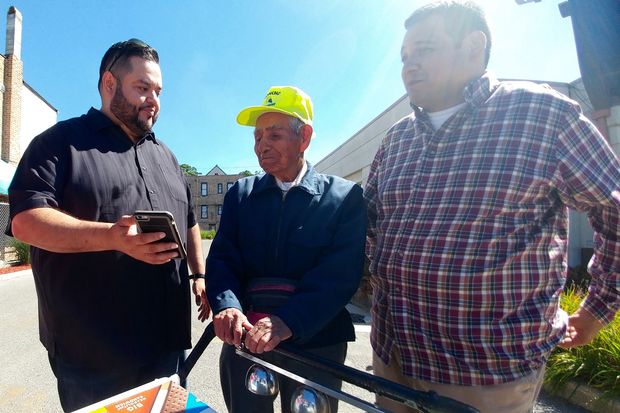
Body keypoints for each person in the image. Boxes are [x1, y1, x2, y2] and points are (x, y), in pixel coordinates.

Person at [364, 2, 620, 413]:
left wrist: (597, 310)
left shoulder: (544, 115)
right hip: (391, 359)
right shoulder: (396, 140)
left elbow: (615, 211)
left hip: (485, 374)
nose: (409, 66)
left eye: (424, 50)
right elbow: (371, 228)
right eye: (404, 56)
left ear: (473, 46)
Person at [6, 38, 210, 412]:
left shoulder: (167, 157)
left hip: (166, 346)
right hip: (92, 356)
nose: (153, 100)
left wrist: (199, 275)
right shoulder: (58, 143)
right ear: (109, 83)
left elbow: (190, 221)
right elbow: (26, 221)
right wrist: (113, 237)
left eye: (159, 91)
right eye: (142, 87)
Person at [206, 85, 366, 413]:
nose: (261, 146)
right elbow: (222, 258)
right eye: (257, 137)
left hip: (317, 341)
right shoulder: (240, 195)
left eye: (274, 135)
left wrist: (287, 321)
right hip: (247, 338)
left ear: (304, 137)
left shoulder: (344, 198)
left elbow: (340, 275)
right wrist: (228, 306)